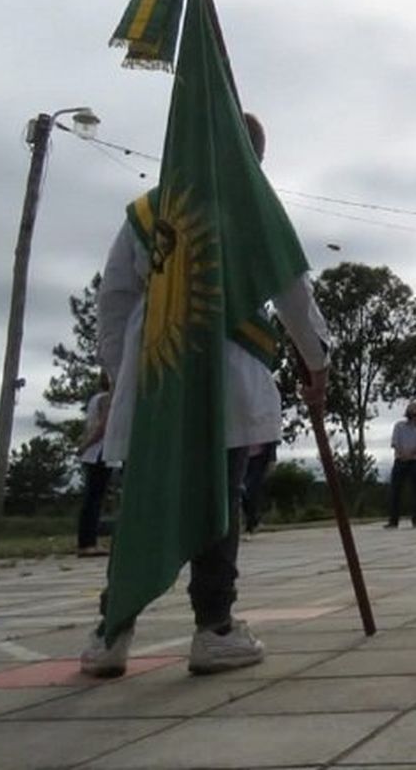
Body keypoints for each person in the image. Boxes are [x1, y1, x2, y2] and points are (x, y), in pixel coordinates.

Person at [83, 113, 330, 677]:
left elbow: (115, 299)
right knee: (217, 506)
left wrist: (124, 376)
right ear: (253, 160)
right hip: (223, 381)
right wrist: (317, 363)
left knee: (145, 503)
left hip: (158, 374)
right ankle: (213, 629)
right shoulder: (255, 214)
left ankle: (111, 633)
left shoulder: (149, 211)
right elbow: (294, 294)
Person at [76, 374, 115, 557]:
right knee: (95, 499)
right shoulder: (107, 399)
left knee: (91, 497)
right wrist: (87, 444)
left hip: (91, 454)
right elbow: (103, 426)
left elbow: (90, 426)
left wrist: (83, 445)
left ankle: (86, 540)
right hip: (101, 451)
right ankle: (88, 542)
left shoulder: (94, 399)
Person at [387, 402, 416, 529]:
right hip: (400, 460)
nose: (410, 415)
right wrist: (402, 454)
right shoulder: (399, 426)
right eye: (409, 412)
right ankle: (393, 521)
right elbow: (394, 443)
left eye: (413, 412)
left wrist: (410, 454)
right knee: (395, 491)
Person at [240, 441, 275, 534]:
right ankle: (253, 520)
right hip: (242, 456)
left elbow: (271, 441)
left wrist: (272, 459)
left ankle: (251, 523)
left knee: (252, 488)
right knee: (243, 490)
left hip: (259, 458)